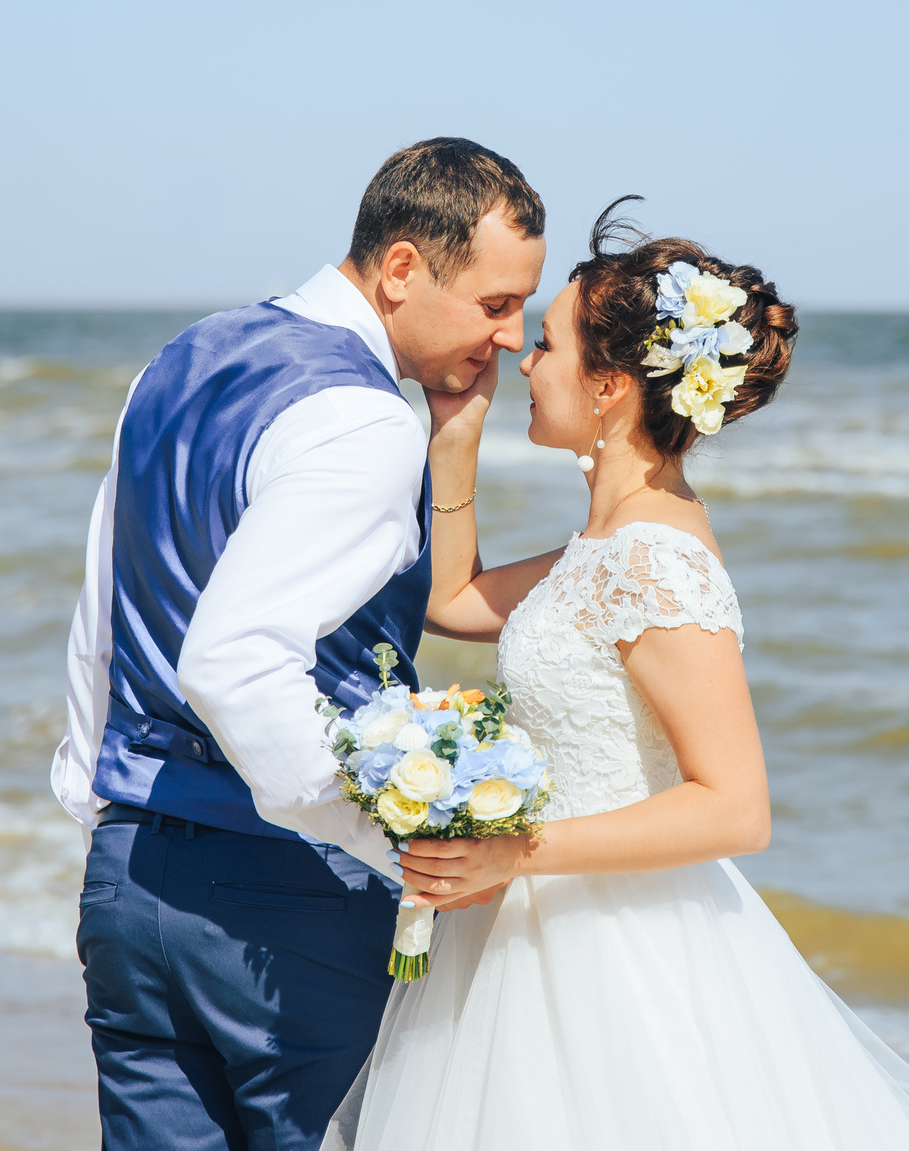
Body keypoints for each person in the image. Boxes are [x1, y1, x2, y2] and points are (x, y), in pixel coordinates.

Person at [335, 199, 909, 1151]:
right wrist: (455, 437)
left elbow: (736, 808)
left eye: (546, 344)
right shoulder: (606, 545)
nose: (522, 360)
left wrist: (514, 852)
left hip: (612, 953)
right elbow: (453, 597)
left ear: (607, 385)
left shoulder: (655, 560)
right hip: (527, 930)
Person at [52, 137, 547, 1151]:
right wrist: (382, 842)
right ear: (401, 267)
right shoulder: (364, 422)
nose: (510, 335)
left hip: (129, 875)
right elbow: (230, 660)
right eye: (496, 303)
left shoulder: (181, 357)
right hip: (285, 901)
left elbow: (105, 600)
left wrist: (99, 802)